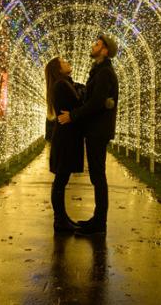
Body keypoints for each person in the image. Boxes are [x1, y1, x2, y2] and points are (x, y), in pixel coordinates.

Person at [58, 34, 119, 236]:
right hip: (96, 129)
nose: (93, 46)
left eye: (97, 44)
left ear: (105, 50)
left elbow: (96, 103)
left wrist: (73, 116)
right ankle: (97, 220)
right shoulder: (99, 71)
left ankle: (99, 224)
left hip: (98, 130)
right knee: (96, 175)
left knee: (98, 176)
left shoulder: (104, 73)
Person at [44, 56, 85, 233]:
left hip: (66, 137)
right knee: (61, 180)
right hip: (65, 138)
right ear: (58, 69)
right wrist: (82, 92)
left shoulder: (64, 83)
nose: (68, 62)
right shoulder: (62, 85)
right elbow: (79, 103)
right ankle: (59, 221)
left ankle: (62, 218)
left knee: (62, 179)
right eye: (64, 62)